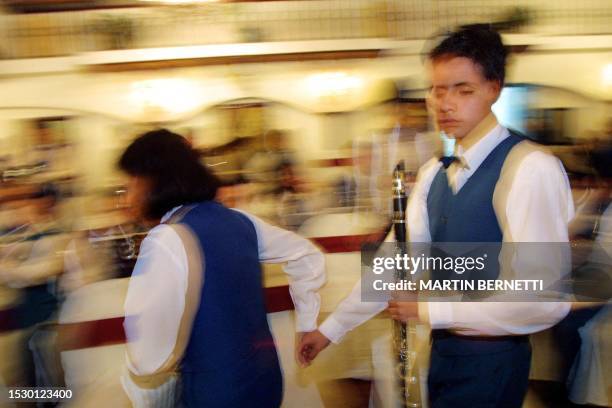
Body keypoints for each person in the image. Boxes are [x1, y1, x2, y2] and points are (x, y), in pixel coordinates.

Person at [298, 25, 574, 407]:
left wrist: (429, 308)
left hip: (492, 360)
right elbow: (394, 262)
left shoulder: (530, 167)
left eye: (463, 90)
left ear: (494, 88)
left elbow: (545, 299)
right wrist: (330, 329)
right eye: (437, 90)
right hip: (442, 352)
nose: (445, 103)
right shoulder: (433, 173)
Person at [117, 129, 326, 407]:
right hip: (265, 381)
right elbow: (307, 255)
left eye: (131, 183)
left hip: (214, 392)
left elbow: (148, 358)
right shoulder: (239, 220)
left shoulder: (166, 239)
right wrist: (307, 323)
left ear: (152, 181)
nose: (126, 198)